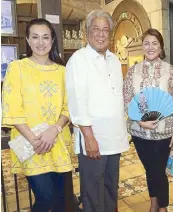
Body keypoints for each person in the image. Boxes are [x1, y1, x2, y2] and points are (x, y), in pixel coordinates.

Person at [1, 18, 73, 212]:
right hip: (31, 144)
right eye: (35, 37)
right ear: (28, 40)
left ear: (52, 41)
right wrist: (35, 140)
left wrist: (55, 130)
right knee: (45, 199)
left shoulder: (63, 71)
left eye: (45, 37)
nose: (40, 42)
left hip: (58, 142)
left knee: (60, 202)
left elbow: (69, 106)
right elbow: (12, 108)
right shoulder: (17, 68)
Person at [65, 10, 129, 212]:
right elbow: (77, 101)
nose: (101, 34)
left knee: (111, 187)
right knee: (92, 192)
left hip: (115, 138)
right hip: (94, 139)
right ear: (87, 33)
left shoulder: (114, 60)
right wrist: (89, 136)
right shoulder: (79, 59)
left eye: (105, 30)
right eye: (96, 29)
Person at [123, 28, 173, 212]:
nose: (150, 47)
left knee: (158, 170)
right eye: (146, 43)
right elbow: (127, 99)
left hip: (163, 131)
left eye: (154, 43)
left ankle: (161, 206)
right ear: (142, 46)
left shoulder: (171, 71)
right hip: (139, 131)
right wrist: (140, 120)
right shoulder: (133, 72)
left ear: (161, 47)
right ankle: (154, 202)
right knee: (151, 169)